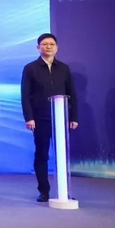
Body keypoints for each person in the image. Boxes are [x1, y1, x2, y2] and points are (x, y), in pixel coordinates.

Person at [21, 33, 78, 202]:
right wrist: (29, 117)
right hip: (40, 119)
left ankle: (63, 190)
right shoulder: (31, 68)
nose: (48, 47)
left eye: (52, 44)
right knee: (42, 154)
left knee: (62, 154)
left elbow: (72, 94)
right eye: (44, 44)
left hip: (61, 118)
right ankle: (44, 191)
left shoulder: (64, 68)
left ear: (57, 48)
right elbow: (25, 95)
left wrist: (73, 117)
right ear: (38, 48)